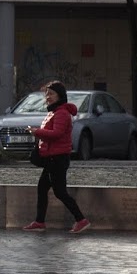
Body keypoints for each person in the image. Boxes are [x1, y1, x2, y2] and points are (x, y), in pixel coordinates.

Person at [24, 80, 91, 233]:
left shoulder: (61, 113)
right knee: (42, 188)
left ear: (60, 95)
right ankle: (39, 221)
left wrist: (36, 132)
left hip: (58, 159)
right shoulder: (53, 112)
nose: (48, 97)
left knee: (60, 192)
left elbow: (57, 134)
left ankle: (81, 220)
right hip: (51, 158)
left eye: (51, 94)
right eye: (46, 94)